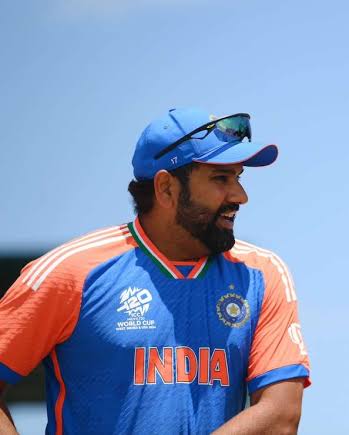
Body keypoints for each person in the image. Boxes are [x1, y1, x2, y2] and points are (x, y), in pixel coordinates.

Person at [0, 108, 310, 434]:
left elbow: (280, 415)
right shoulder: (70, 273)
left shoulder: (260, 274)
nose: (240, 196)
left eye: (238, 177)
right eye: (221, 179)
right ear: (166, 188)